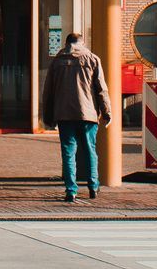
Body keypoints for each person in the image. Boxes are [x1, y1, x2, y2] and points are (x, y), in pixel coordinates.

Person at [44, 29, 110, 201]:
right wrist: (107, 112)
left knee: (68, 152)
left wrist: (48, 116)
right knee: (90, 150)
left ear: (66, 44)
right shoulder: (93, 59)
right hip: (87, 114)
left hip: (64, 114)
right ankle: (93, 186)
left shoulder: (57, 61)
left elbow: (48, 91)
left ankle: (71, 190)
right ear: (82, 43)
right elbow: (101, 89)